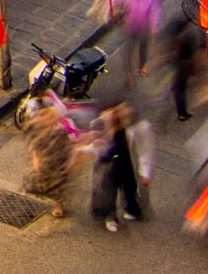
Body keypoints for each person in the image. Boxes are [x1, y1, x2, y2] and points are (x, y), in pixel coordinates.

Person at [22, 95, 86, 216]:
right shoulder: (39, 127)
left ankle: (58, 203)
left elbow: (74, 138)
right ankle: (54, 198)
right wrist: (36, 160)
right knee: (46, 182)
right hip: (46, 159)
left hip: (61, 158)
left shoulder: (64, 125)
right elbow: (35, 145)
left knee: (59, 184)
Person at [89, 102, 147, 232]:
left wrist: (145, 172)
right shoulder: (99, 124)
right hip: (107, 164)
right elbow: (94, 146)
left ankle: (131, 208)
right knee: (108, 191)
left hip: (126, 162)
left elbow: (143, 149)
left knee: (129, 187)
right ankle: (110, 217)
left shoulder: (133, 127)